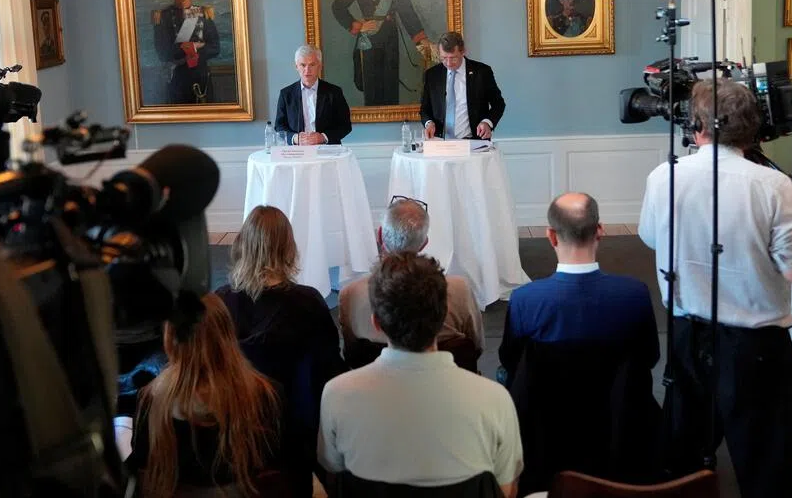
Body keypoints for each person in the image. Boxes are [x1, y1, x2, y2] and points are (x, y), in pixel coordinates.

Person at [638, 79, 792, 498]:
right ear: (753, 128)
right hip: (754, 345)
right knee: (764, 464)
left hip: (687, 332)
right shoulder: (773, 186)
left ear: (697, 126)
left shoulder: (665, 176)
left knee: (682, 456)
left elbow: (650, 236)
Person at [319, 251, 523, 493]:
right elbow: (507, 487)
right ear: (442, 316)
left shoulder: (337, 394)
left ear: (377, 323)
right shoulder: (494, 399)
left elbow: (333, 471)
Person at [215, 206, 345, 495]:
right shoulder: (308, 303)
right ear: (289, 247)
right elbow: (330, 371)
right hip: (295, 437)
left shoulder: (220, 304)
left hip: (231, 433)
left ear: (242, 246)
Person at [126, 292, 289, 497]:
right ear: (227, 333)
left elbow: (142, 467)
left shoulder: (149, 400)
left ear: (170, 339)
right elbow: (282, 468)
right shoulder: (268, 395)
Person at [499, 192, 658, 377]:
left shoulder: (524, 299)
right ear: (599, 230)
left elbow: (510, 360)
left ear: (551, 235)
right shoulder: (635, 295)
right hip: (620, 404)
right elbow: (650, 357)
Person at [338, 196, 484, 362]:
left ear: (380, 235)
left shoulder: (350, 294)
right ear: (424, 243)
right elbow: (476, 346)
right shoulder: (459, 290)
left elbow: (351, 353)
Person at [330, 0, 430, 106]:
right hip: (370, 38)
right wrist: (358, 25)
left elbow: (407, 12)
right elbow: (338, 7)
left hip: (391, 36)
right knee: (371, 83)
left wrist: (421, 40)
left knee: (391, 82)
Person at [420, 31, 506, 140]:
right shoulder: (432, 75)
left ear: (463, 51)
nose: (449, 63)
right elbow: (424, 109)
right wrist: (429, 123)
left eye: (453, 58)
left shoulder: (482, 72)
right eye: (444, 58)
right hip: (441, 144)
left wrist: (487, 123)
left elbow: (498, 104)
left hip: (473, 143)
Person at [153, 0, 220, 104]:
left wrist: (192, 50)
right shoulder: (163, 17)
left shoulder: (203, 13)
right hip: (177, 80)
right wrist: (193, 46)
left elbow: (215, 48)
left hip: (201, 79)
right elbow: (163, 54)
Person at [273, 45, 352, 146]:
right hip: (297, 152)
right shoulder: (286, 94)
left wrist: (323, 137)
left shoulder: (334, 92)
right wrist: (294, 138)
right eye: (303, 65)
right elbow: (279, 126)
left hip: (327, 150)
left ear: (319, 66)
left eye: (312, 65)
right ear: (296, 66)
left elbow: (345, 126)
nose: (307, 70)